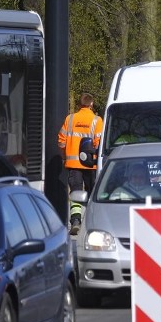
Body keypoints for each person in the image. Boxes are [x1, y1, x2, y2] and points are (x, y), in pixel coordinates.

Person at [58, 93, 103, 233]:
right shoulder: (97, 120)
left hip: (73, 164)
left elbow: (61, 141)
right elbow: (98, 143)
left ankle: (76, 221)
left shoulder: (70, 119)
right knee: (92, 192)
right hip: (91, 164)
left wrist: (65, 156)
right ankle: (91, 221)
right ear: (91, 104)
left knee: (76, 193)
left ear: (79, 104)